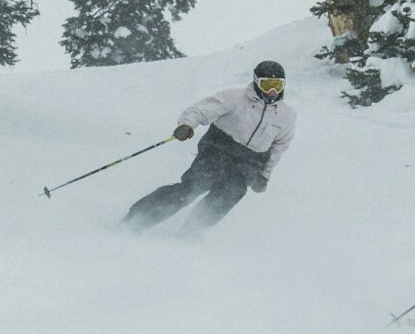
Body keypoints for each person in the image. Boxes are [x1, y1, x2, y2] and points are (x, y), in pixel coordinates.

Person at [123, 58, 296, 233]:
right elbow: (200, 110)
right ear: (256, 82)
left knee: (231, 192)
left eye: (277, 85)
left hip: (250, 162)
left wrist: (264, 175)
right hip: (219, 149)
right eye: (267, 85)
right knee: (192, 187)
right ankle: (135, 221)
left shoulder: (286, 116)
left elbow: (278, 148)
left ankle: (191, 231)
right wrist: (186, 125)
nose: (273, 91)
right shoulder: (234, 98)